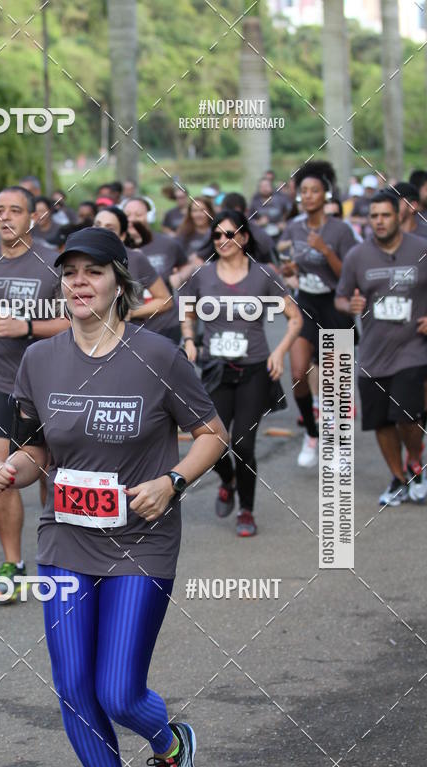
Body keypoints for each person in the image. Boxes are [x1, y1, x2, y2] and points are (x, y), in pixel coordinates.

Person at [0, 226, 227, 767]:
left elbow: (211, 431)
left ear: (120, 281)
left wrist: (172, 482)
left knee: (118, 692)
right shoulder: (41, 361)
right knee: (73, 688)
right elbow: (37, 447)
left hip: (139, 543)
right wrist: (11, 470)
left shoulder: (158, 356)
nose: (79, 283)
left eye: (93, 272)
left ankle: (170, 746)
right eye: (69, 274)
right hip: (66, 539)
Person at [0, 185, 68, 599]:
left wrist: (27, 328)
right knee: (0, 470)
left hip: (49, 385)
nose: (6, 217)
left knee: (48, 471)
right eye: (0, 210)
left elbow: (75, 320)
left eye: (16, 210)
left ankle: (55, 554)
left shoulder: (52, 263)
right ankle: (12, 562)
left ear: (33, 218)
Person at [181, 211, 302, 536]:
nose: (223, 240)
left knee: (244, 445)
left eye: (230, 234)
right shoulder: (203, 275)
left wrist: (280, 351)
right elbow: (186, 308)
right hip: (215, 370)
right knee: (211, 442)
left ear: (245, 238)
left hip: (254, 370)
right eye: (218, 236)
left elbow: (295, 317)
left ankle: (246, 510)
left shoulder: (262, 275)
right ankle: (228, 480)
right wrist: (190, 338)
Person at [335, 191, 427, 505]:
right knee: (382, 423)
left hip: (413, 349)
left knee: (406, 415)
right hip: (373, 354)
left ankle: (416, 463)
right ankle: (398, 479)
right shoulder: (357, 257)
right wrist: (352, 304)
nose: (379, 221)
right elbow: (341, 296)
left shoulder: (421, 249)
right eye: (374, 216)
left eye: (385, 215)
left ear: (398, 216)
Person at [280, 161, 357, 467]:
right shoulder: (294, 226)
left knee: (333, 381)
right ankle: (312, 434)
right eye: (304, 191)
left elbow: (349, 276)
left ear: (326, 195)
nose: (309, 196)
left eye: (315, 191)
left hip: (334, 305)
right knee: (298, 373)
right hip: (306, 302)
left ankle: (338, 445)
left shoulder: (341, 229)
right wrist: (290, 270)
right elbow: (290, 261)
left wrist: (326, 250)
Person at [93, 207, 175, 330]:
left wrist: (131, 312)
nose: (101, 231)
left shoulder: (135, 259)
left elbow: (165, 300)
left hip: (127, 337)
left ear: (122, 236)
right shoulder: (77, 258)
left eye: (110, 229)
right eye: (97, 225)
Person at [123, 197, 190, 341]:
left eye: (138, 215)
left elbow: (187, 265)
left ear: (150, 216)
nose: (132, 219)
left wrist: (181, 276)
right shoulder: (116, 248)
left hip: (165, 325)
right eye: (127, 215)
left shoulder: (168, 244)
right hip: (129, 328)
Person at [220, 193, 276, 264]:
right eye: (227, 215)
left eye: (236, 215)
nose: (232, 220)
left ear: (246, 212)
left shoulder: (260, 236)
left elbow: (274, 268)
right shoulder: (216, 234)